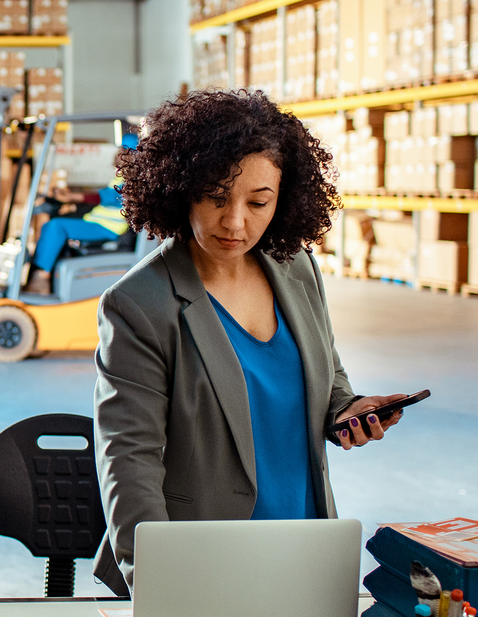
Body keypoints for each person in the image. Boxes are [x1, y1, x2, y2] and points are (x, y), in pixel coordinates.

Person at [90, 90, 408, 597]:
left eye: (258, 202)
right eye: (216, 197)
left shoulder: (295, 267)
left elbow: (326, 375)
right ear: (181, 190)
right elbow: (129, 459)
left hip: (306, 540)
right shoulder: (139, 305)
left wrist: (347, 409)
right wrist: (157, 583)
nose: (236, 222)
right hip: (203, 557)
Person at [24, 135, 138, 294]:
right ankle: (44, 276)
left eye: (124, 149)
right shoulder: (121, 176)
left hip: (108, 228)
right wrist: (68, 198)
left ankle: (41, 279)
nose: (118, 153)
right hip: (99, 223)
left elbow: (108, 197)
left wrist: (73, 197)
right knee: (60, 222)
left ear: (133, 155)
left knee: (56, 226)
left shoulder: (133, 181)